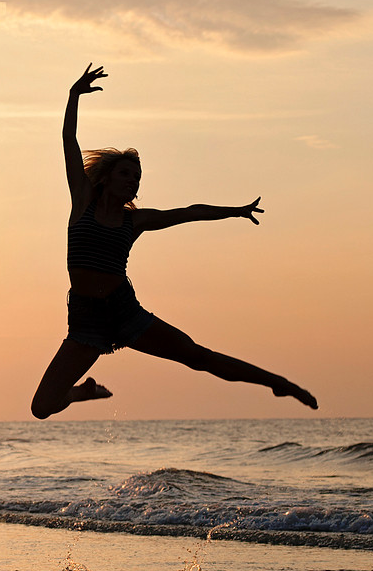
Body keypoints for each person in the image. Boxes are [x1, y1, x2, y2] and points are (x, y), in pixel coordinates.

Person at [31, 64, 317, 419]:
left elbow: (189, 211)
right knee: (41, 407)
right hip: (86, 318)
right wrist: (74, 96)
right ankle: (82, 394)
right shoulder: (83, 203)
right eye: (125, 174)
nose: (132, 182)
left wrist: (236, 211)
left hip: (123, 309)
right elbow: (68, 142)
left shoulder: (135, 220)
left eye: (137, 179)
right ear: (106, 178)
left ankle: (276, 381)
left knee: (197, 357)